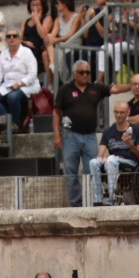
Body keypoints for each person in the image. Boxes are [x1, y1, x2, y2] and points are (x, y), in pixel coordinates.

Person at [54, 60, 109, 208]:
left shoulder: (95, 88)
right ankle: (76, 203)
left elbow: (114, 89)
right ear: (74, 73)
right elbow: (56, 112)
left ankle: (90, 201)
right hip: (70, 135)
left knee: (91, 169)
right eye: (82, 72)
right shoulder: (65, 89)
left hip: (90, 135)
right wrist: (57, 135)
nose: (85, 75)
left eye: (88, 72)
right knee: (71, 171)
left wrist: (132, 86)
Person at [87, 100, 139, 206]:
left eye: (122, 112)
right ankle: (97, 199)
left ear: (128, 112)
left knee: (111, 160)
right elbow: (100, 154)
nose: (118, 115)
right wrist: (101, 159)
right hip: (113, 161)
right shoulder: (108, 131)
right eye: (116, 112)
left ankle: (112, 199)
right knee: (93, 162)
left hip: (131, 162)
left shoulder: (137, 129)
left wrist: (130, 144)